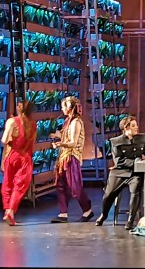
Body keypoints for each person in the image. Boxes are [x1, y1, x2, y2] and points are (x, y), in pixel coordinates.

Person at [95, 115, 145, 230]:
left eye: (136, 125)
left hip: (135, 172)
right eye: (133, 126)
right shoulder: (116, 141)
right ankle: (104, 215)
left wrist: (144, 159)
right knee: (108, 195)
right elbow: (119, 161)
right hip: (119, 171)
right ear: (125, 128)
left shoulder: (142, 139)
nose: (136, 127)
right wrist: (136, 161)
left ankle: (130, 221)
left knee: (135, 191)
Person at [51, 95, 94, 223]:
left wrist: (60, 144)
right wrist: (56, 135)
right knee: (61, 184)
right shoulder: (68, 121)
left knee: (75, 186)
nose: (62, 109)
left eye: (63, 106)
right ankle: (63, 213)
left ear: (69, 107)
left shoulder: (75, 122)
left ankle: (87, 210)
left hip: (72, 157)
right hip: (64, 156)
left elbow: (73, 143)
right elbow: (66, 137)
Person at [0, 100, 35, 226]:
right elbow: (32, 145)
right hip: (25, 157)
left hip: (12, 155)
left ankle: (7, 210)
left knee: (7, 183)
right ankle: (11, 210)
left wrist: (11, 136)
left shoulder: (12, 121)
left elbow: (4, 140)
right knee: (19, 185)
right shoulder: (33, 124)